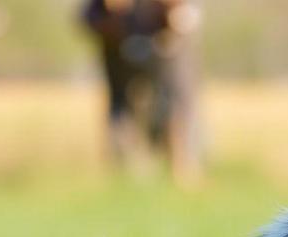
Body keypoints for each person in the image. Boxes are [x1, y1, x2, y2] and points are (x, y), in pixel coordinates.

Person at [80, 0, 202, 181]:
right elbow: (89, 18)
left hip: (164, 50)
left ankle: (183, 168)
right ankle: (122, 172)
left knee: (174, 105)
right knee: (121, 112)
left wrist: (169, 13)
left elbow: (185, 17)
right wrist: (112, 18)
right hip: (119, 53)